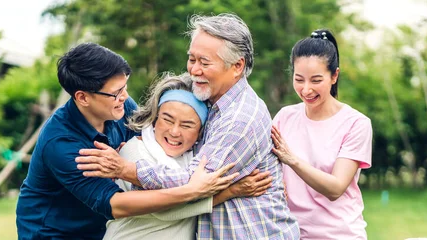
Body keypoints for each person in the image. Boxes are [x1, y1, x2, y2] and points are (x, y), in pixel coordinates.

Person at [76, 14, 300, 239]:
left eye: (204, 62)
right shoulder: (208, 95)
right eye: (191, 59)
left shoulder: (239, 118)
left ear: (237, 66)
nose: (194, 70)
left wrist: (125, 169)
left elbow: (193, 184)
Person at [15, 43, 240, 240]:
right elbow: (116, 204)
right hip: (55, 233)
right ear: (82, 97)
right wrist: (193, 190)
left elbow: (153, 138)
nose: (125, 96)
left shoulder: (120, 107)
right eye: (116, 92)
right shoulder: (61, 144)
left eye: (125, 87)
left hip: (98, 228)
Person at [103, 73, 273, 240]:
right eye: (168, 120)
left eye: (187, 125)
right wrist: (230, 192)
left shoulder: (197, 158)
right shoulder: (133, 151)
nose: (175, 131)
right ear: (155, 119)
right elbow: (166, 209)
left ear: (200, 133)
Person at [271, 29, 373, 240]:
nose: (306, 89)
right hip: (289, 233)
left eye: (316, 80)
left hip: (339, 234)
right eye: (299, 79)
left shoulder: (356, 124)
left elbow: (336, 188)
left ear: (334, 75)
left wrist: (292, 161)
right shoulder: (284, 117)